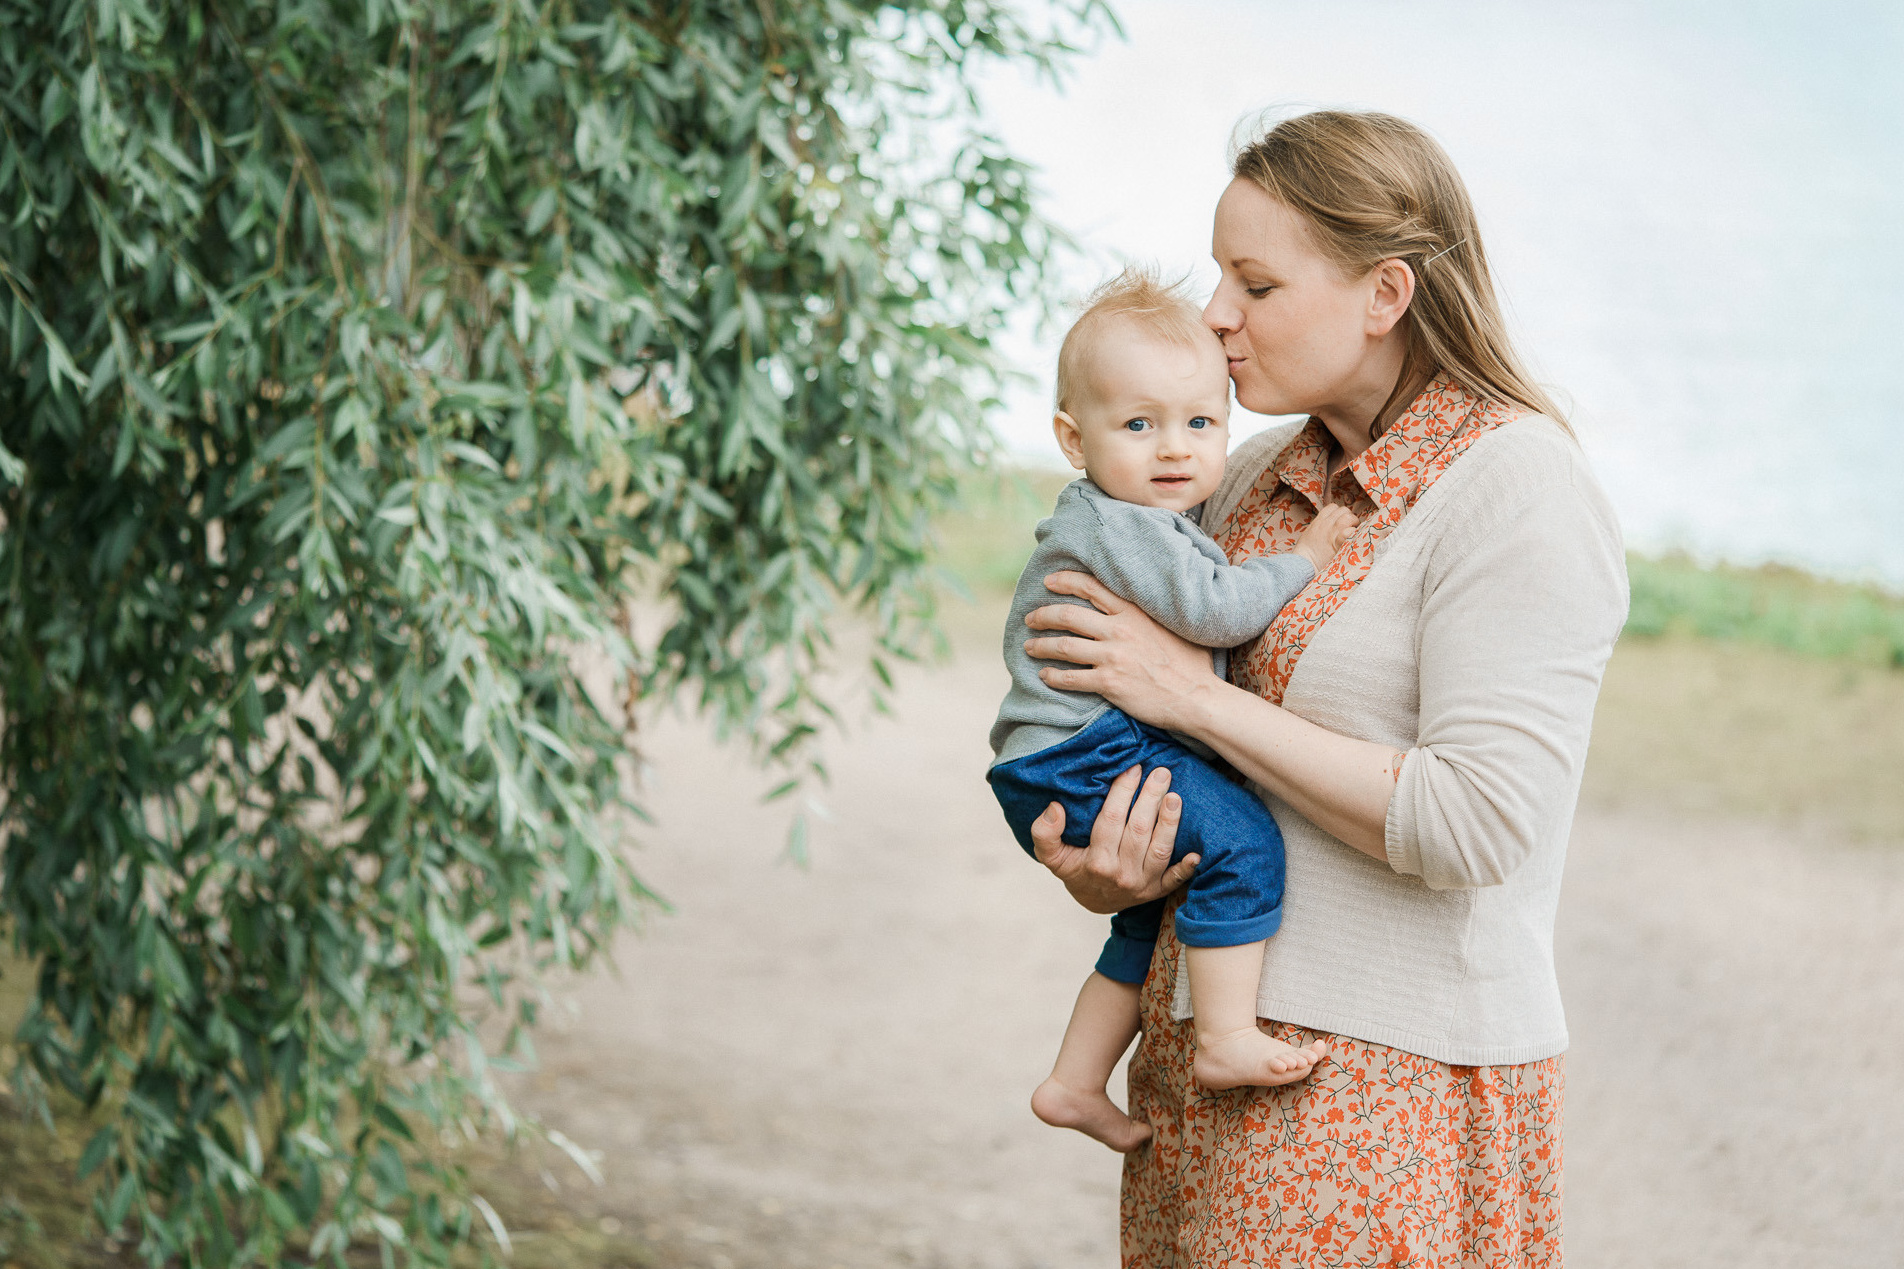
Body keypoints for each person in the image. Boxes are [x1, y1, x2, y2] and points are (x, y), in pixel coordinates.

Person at [1022, 110, 1628, 1266]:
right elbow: (1143, 730)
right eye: (1218, 276)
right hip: (1197, 1078)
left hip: (1384, 1091)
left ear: (1383, 294)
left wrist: (1196, 700)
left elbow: (1475, 822)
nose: (1214, 314)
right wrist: (1108, 861)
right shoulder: (1245, 475)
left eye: (1255, 284)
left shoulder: (1518, 490)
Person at [986, 268, 1355, 1153]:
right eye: (1138, 425)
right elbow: (1215, 610)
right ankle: (1226, 1038)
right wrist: (1305, 559)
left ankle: (1075, 1080)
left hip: (1056, 755)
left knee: (1146, 917)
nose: (1174, 450)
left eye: (1200, 423)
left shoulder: (1124, 515)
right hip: (1086, 751)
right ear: (1073, 438)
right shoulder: (1127, 525)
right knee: (1243, 840)